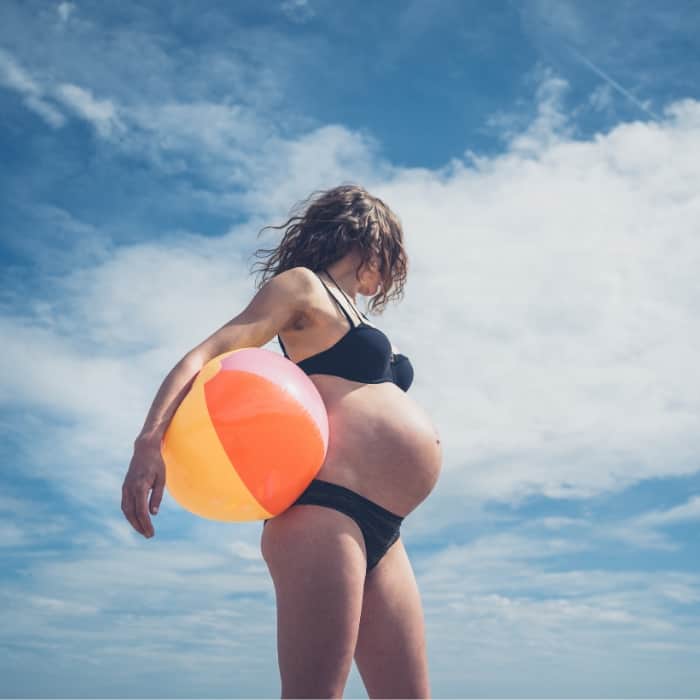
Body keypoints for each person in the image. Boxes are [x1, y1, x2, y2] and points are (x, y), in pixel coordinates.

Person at [121, 183, 443, 699]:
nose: (385, 276)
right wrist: (147, 445)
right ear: (365, 238)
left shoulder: (358, 315)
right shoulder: (303, 288)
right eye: (387, 257)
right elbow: (202, 357)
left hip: (385, 528)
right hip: (325, 509)